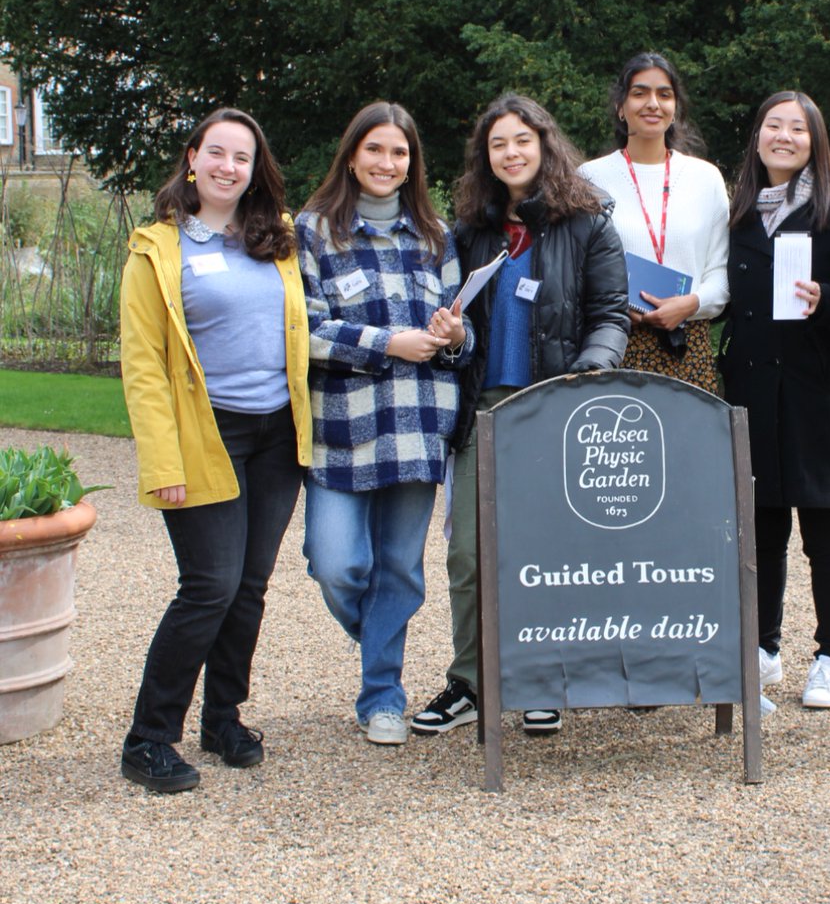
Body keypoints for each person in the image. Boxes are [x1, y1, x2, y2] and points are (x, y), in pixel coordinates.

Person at [411, 94, 629, 737]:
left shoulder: (589, 221)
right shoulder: (469, 231)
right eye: (498, 143)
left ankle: (542, 676)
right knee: (471, 554)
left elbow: (611, 315)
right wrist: (451, 335)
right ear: (486, 155)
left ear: (544, 144)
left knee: (549, 549)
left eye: (522, 141)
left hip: (557, 406)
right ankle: (471, 681)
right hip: (484, 408)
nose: (510, 152)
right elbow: (459, 325)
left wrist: (590, 370)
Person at [119, 108, 312, 793]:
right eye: (219, 153)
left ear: (256, 170)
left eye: (244, 158)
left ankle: (223, 719)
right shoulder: (157, 248)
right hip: (208, 436)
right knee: (209, 586)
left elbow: (301, 334)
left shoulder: (277, 239)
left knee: (250, 588)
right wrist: (162, 463)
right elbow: (143, 366)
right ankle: (148, 739)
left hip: (275, 439)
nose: (231, 167)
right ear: (193, 158)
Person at [295, 102, 473, 745]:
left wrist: (455, 334)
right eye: (375, 149)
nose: (386, 163)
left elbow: (462, 332)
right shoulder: (313, 231)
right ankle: (378, 642)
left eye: (399, 153)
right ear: (351, 155)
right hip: (341, 428)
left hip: (418, 423)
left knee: (399, 569)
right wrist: (385, 342)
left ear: (411, 165)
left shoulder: (435, 236)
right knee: (335, 563)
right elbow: (304, 328)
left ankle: (382, 696)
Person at [720, 91, 830, 712]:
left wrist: (827, 299)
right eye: (773, 126)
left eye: (797, 128)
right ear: (757, 137)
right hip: (752, 390)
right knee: (762, 531)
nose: (783, 136)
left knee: (827, 536)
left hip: (817, 392)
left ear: (815, 141)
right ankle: (762, 649)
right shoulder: (737, 214)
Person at [579, 52, 729, 393]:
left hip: (687, 349)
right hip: (613, 343)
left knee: (689, 446)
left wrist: (691, 304)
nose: (653, 104)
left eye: (664, 94)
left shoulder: (705, 179)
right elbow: (576, 272)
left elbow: (722, 275)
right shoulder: (588, 179)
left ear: (675, 107)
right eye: (640, 92)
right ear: (621, 106)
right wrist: (614, 305)